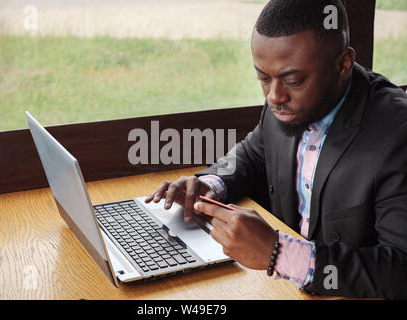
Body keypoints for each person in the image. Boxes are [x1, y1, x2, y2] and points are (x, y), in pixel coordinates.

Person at [145, 0, 407, 299]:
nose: (273, 96)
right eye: (263, 78)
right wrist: (209, 184)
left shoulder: (397, 135)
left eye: (293, 80)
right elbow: (254, 153)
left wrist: (281, 255)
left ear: (343, 65)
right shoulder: (287, 102)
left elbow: (400, 271)